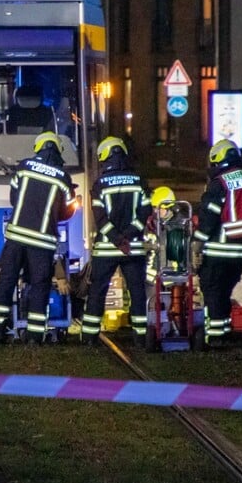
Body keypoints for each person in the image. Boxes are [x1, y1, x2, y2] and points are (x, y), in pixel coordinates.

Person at [0, 132, 77, 344]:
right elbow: (67, 211)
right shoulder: (63, 178)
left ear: (38, 148)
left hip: (16, 237)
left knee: (6, 282)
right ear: (57, 150)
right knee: (40, 286)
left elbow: (14, 198)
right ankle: (35, 336)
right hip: (43, 242)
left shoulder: (23, 167)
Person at [81, 136, 152, 347]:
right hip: (134, 248)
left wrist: (117, 239)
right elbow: (145, 213)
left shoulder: (100, 185)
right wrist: (129, 236)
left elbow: (100, 219)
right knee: (137, 292)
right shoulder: (139, 181)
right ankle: (141, 337)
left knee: (97, 292)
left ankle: (89, 337)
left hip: (106, 250)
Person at [192, 139, 242, 346]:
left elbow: (209, 217)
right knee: (226, 289)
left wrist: (197, 243)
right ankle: (224, 330)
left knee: (213, 290)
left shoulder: (219, 183)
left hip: (218, 250)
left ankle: (216, 336)